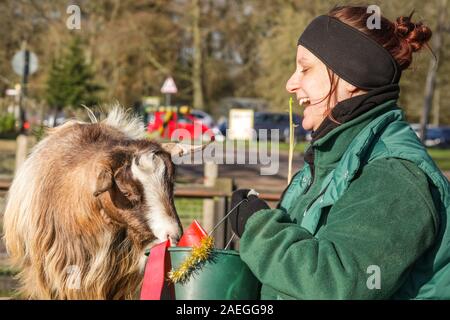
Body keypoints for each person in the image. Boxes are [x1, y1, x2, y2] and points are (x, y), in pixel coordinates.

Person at [228, 6, 450, 299]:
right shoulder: (326, 163)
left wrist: (258, 228)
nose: (290, 84)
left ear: (350, 79)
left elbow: (336, 283)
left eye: (305, 68)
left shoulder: (394, 175)